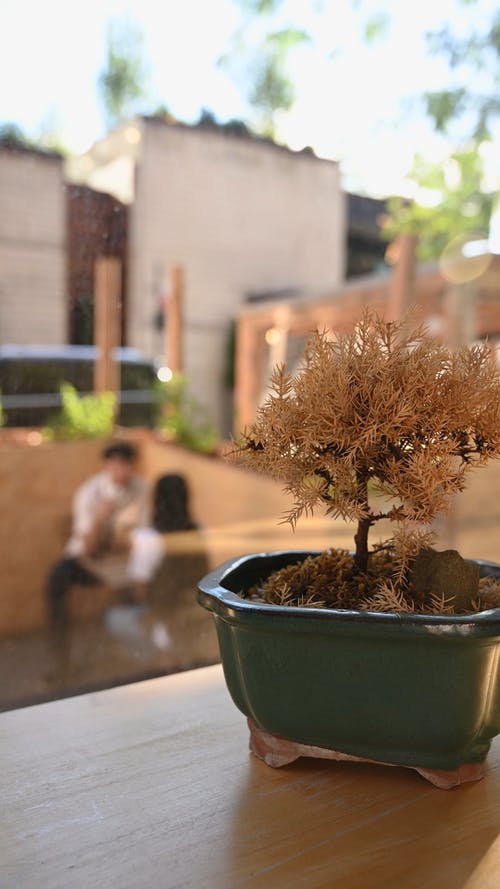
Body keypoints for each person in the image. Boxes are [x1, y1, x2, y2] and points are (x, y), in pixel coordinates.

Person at [46, 440, 154, 638]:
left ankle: (129, 635)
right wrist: (98, 519)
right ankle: (60, 647)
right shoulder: (89, 492)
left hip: (122, 558)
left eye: (126, 464)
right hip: (88, 556)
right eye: (116, 464)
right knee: (56, 578)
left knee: (145, 577)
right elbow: (87, 547)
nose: (121, 470)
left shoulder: (142, 489)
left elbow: (143, 535)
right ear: (106, 465)